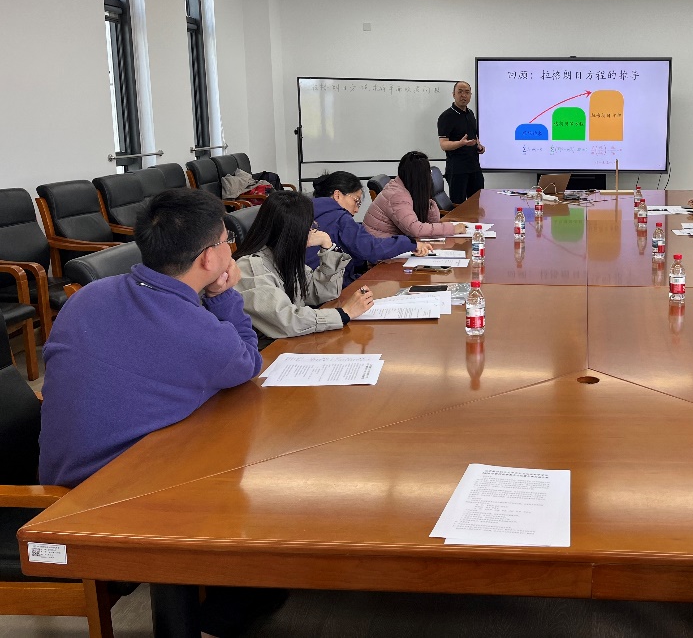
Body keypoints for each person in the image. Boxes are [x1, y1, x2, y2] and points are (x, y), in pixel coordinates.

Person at [39, 188, 262, 488]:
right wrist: (222, 295)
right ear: (209, 257)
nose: (231, 248)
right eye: (226, 240)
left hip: (61, 480)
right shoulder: (197, 333)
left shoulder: (87, 296)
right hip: (111, 497)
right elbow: (248, 361)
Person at [234, 191, 374, 339]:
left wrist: (328, 246)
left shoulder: (283, 257)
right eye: (308, 226)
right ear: (291, 232)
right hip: (268, 348)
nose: (312, 231)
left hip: (290, 341)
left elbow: (322, 292)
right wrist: (344, 313)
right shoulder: (251, 268)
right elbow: (287, 321)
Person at [308, 171, 433, 285]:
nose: (356, 210)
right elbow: (372, 249)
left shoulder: (305, 212)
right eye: (356, 201)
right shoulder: (340, 218)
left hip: (305, 288)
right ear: (337, 195)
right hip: (327, 288)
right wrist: (410, 243)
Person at [363, 150, 468, 239]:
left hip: (391, 242)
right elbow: (416, 230)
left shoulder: (407, 187)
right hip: (379, 246)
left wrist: (428, 203)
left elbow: (429, 223)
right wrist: (452, 229)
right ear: (420, 177)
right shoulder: (397, 196)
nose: (430, 176)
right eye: (428, 173)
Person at [437, 80, 485, 204]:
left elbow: (473, 137)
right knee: (458, 205)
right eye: (460, 92)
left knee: (477, 204)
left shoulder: (470, 114)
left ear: (470, 95)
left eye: (467, 92)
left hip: (474, 167)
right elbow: (443, 144)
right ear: (453, 94)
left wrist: (479, 146)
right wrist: (461, 143)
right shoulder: (446, 116)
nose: (464, 95)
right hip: (457, 170)